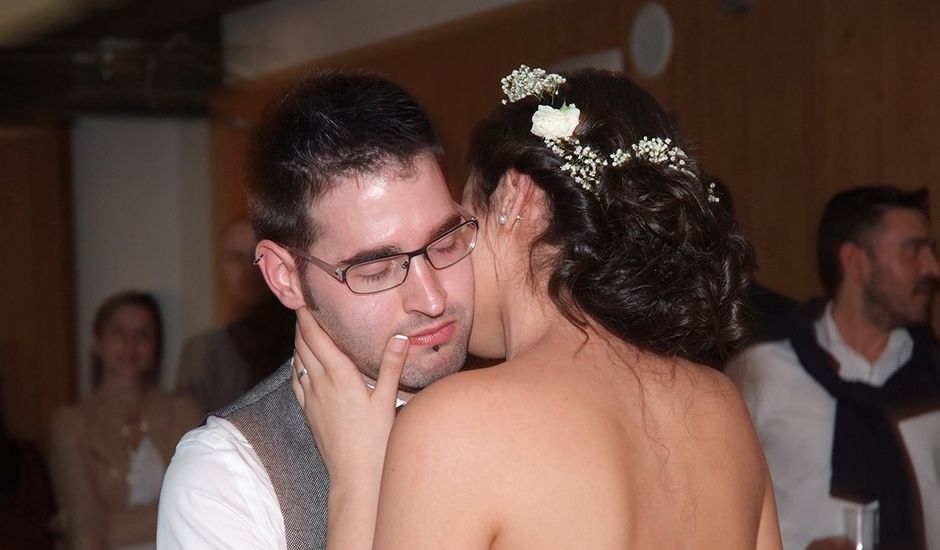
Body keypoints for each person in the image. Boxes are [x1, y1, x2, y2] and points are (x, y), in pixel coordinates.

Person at [294, 66, 782, 549]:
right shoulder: (723, 407)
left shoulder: (460, 424)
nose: (444, 275)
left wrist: (357, 481)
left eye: (458, 225)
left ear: (514, 195)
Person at [156, 71, 476, 548]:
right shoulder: (225, 478)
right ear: (285, 276)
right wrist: (356, 487)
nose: (432, 300)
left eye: (446, 244)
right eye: (376, 270)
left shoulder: (527, 387)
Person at [726, 186, 940, 550]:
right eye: (912, 251)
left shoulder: (933, 375)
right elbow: (722, 506)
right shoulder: (762, 370)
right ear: (855, 261)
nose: (932, 268)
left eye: (930, 251)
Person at [49, 291, 200, 550]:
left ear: (156, 346)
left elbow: (200, 506)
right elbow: (85, 532)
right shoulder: (70, 423)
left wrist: (107, 525)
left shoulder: (183, 411)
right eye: (118, 332)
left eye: (143, 334)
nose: (130, 344)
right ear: (97, 341)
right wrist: (168, 514)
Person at [175, 215, 294, 414]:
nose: (248, 269)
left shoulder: (305, 338)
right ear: (221, 266)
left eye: (257, 257)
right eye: (236, 257)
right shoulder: (200, 352)